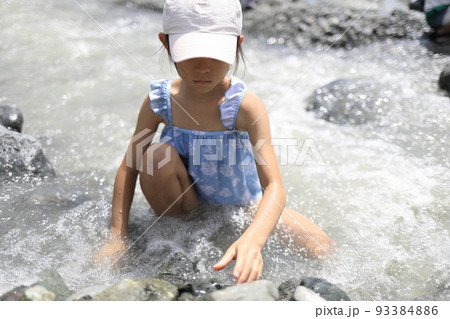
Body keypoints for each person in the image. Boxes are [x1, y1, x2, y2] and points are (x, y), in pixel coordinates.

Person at [96, 0, 334, 284]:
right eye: (190, 54)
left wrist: (254, 240)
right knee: (152, 155)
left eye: (215, 54)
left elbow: (274, 186)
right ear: (166, 43)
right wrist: (117, 236)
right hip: (182, 202)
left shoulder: (244, 106)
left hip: (241, 204)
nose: (203, 67)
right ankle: (176, 231)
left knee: (323, 248)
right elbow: (129, 166)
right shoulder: (160, 101)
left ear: (237, 45)